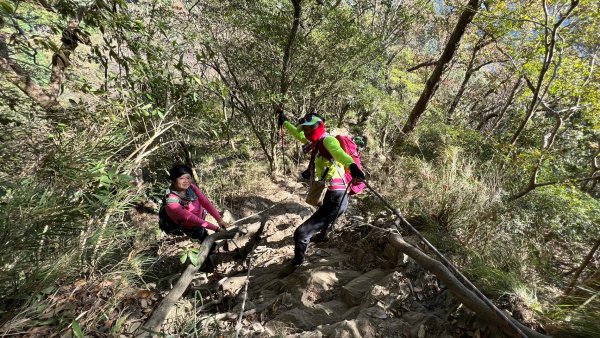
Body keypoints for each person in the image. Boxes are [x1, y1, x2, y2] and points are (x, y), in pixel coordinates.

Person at [277, 109, 365, 276]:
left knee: (301, 233)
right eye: (306, 128)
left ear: (320, 125)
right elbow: (300, 135)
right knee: (325, 213)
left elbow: (339, 154)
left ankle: (297, 262)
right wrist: (285, 122)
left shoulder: (327, 141)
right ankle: (323, 235)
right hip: (335, 195)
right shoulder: (316, 142)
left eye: (311, 127)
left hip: (337, 197)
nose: (308, 131)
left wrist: (352, 167)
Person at [165, 164, 230, 241]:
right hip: (191, 226)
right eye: (181, 178)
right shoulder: (172, 203)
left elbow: (205, 202)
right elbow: (194, 219)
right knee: (204, 238)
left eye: (188, 178)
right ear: (173, 180)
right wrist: (216, 229)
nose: (186, 181)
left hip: (200, 218)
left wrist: (219, 220)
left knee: (204, 231)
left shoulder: (191, 187)